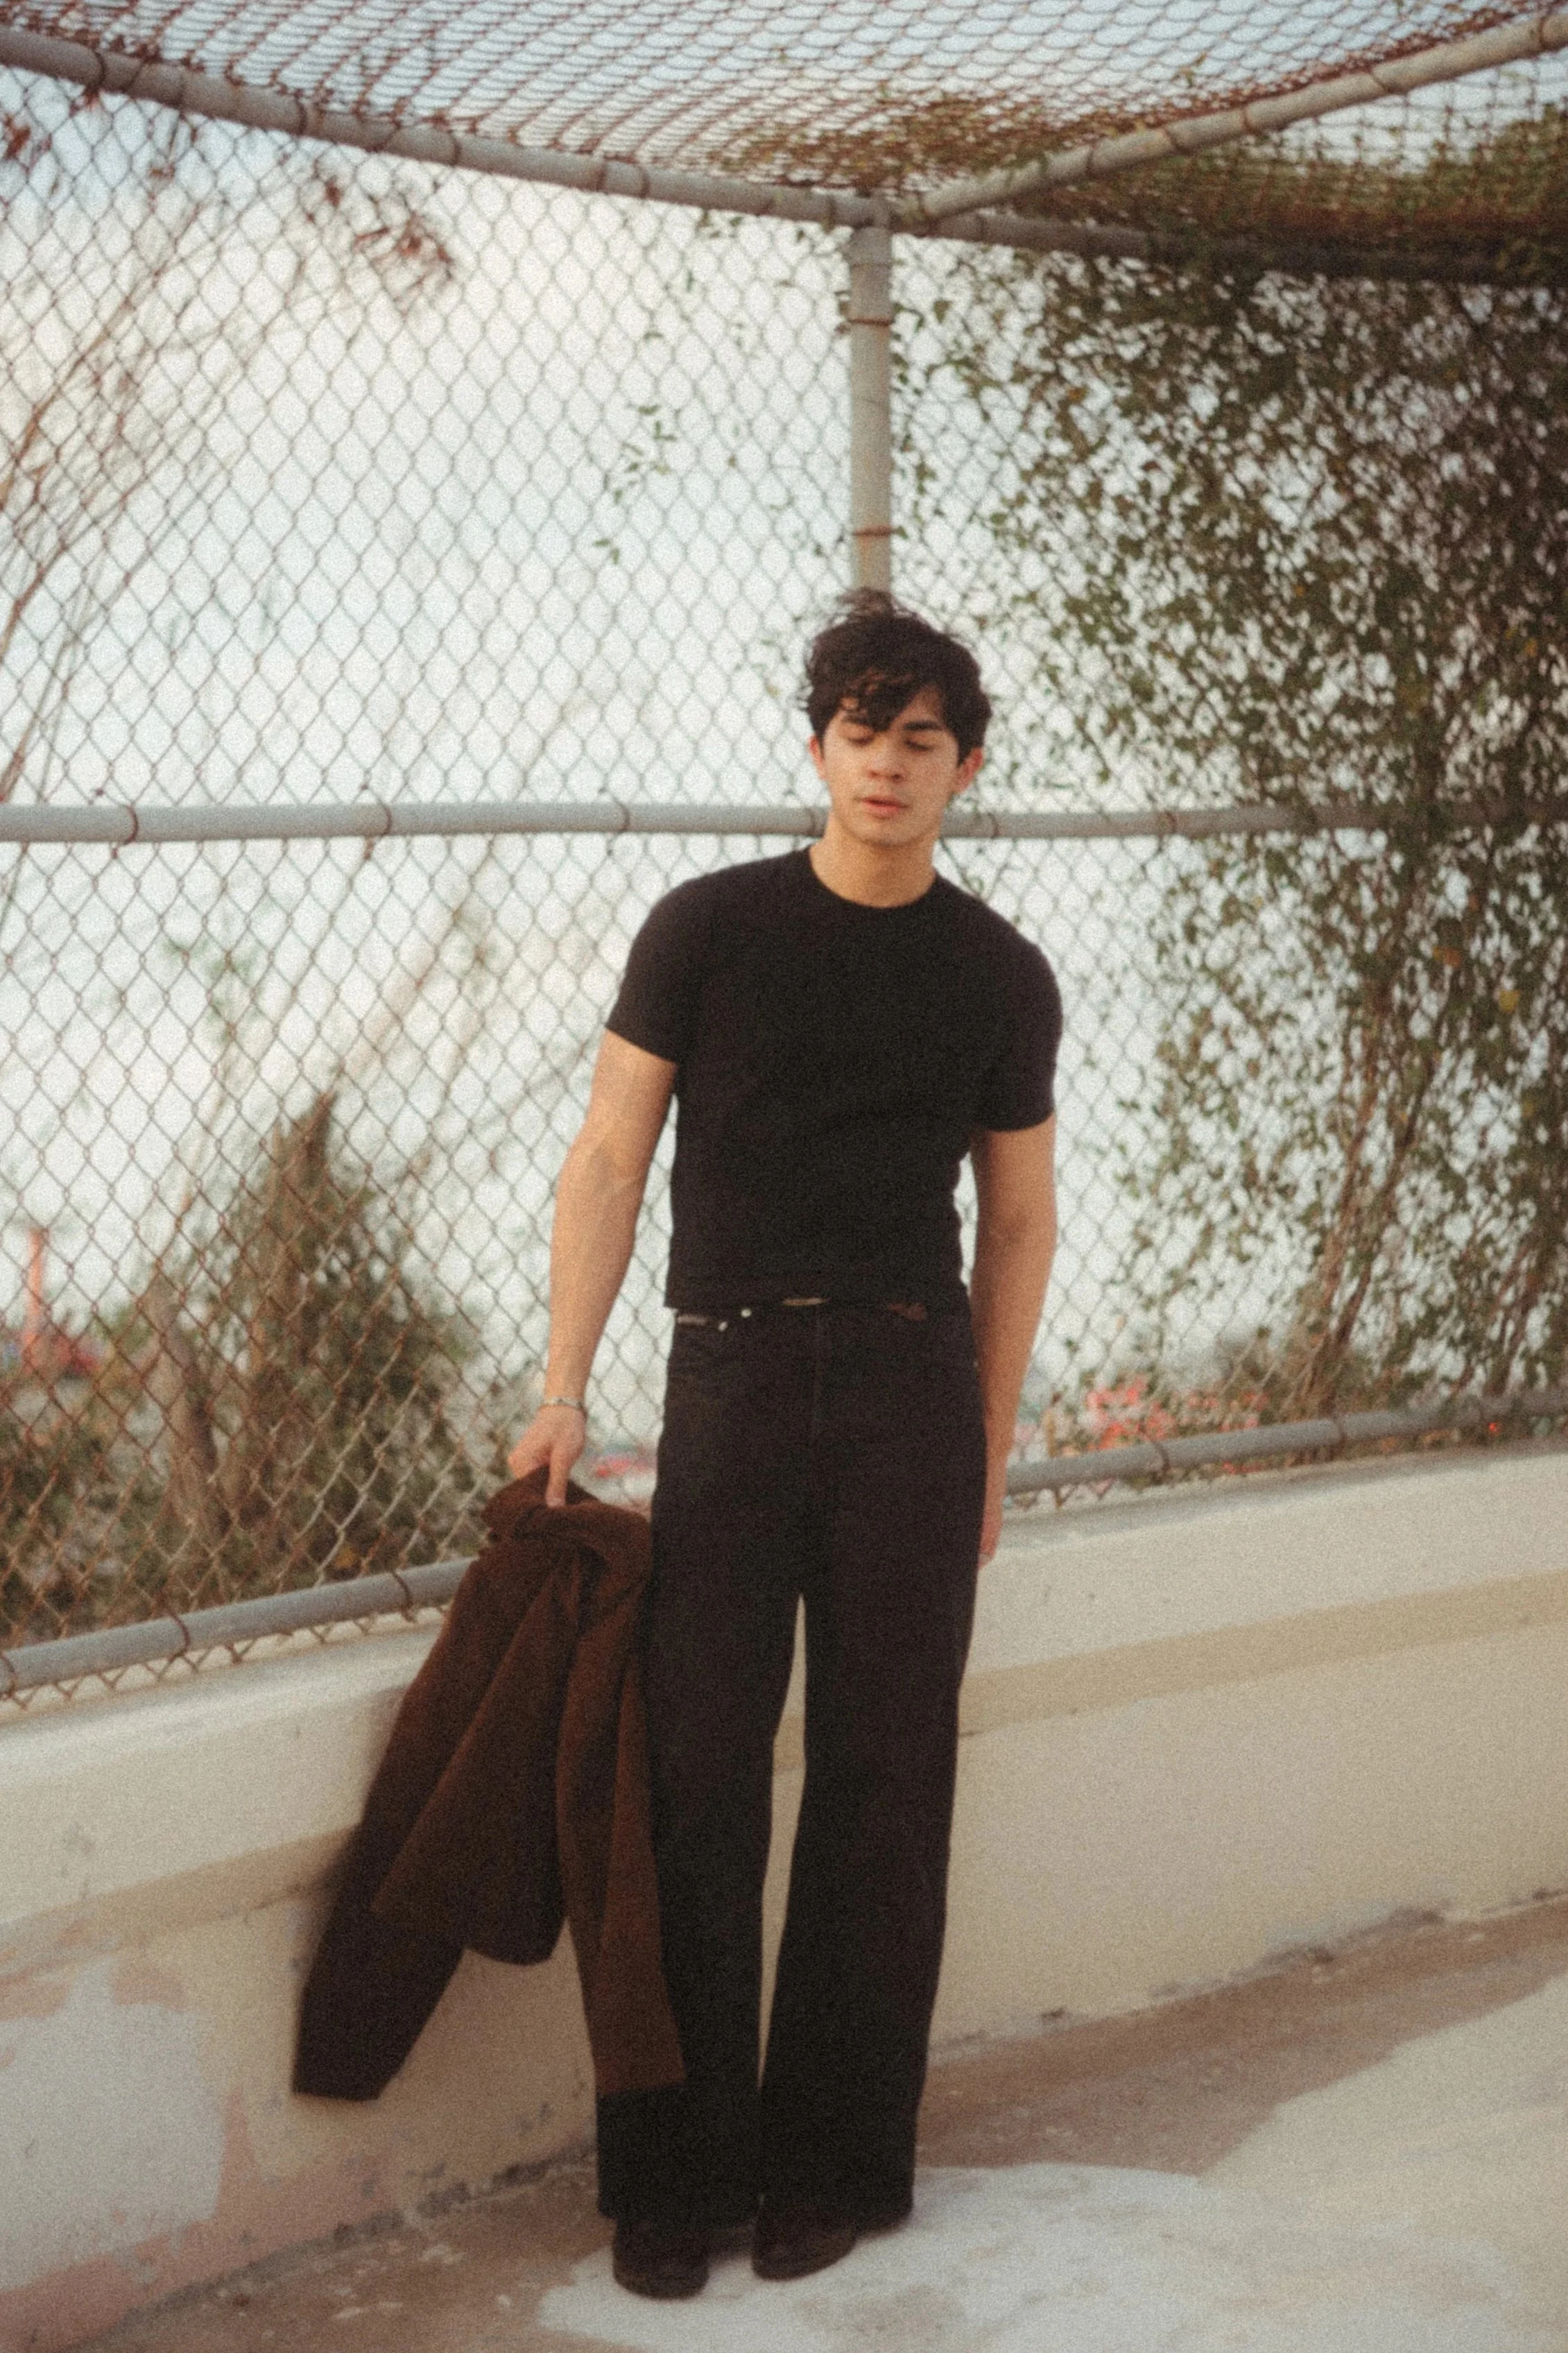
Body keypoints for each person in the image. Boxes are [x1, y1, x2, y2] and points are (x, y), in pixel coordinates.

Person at [508, 590, 1061, 2300]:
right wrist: (559, 1382)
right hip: (728, 1385)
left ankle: (835, 2167)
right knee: (693, 1775)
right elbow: (605, 1161)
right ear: (813, 744)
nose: (884, 766)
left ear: (962, 766)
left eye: (918, 740)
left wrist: (981, 1438)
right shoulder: (706, 929)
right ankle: (678, 2179)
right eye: (856, 730)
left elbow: (1020, 1218)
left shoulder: (995, 971)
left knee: (885, 1782)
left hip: (906, 1390)